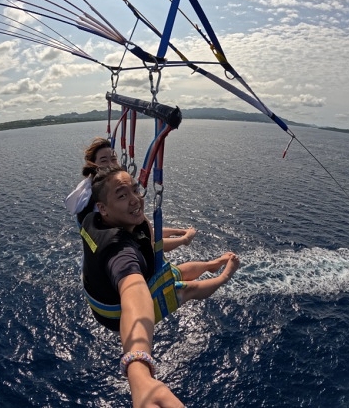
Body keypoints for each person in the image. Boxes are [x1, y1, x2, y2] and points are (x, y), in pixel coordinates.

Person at [80, 165, 240, 407]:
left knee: (177, 271)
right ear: (103, 208)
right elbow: (134, 292)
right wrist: (138, 370)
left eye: (135, 190)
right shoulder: (120, 253)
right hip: (116, 313)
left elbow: (150, 233)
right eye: (122, 196)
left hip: (114, 285)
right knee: (185, 289)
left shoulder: (93, 219)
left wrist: (181, 236)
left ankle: (211, 265)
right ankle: (223, 277)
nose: (135, 200)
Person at [65, 137, 197, 251]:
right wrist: (184, 240)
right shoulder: (102, 201)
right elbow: (150, 243)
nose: (111, 165)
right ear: (93, 165)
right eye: (104, 160)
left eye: (113, 159)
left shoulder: (87, 190)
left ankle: (182, 234)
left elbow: (146, 229)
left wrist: (180, 231)